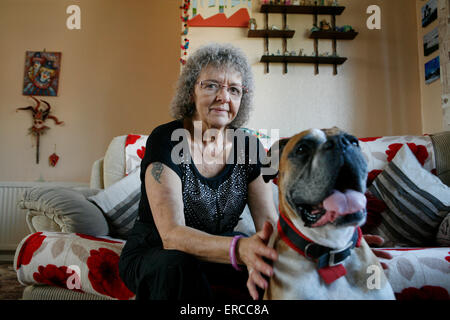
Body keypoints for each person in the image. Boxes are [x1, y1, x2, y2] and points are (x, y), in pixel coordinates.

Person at [119, 42, 278, 300]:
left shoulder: (251, 146)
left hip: (217, 253)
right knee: (178, 267)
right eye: (212, 85)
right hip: (157, 253)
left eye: (234, 90)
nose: (224, 97)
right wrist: (240, 249)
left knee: (268, 270)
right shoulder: (166, 138)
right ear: (191, 91)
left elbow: (270, 225)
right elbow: (171, 236)